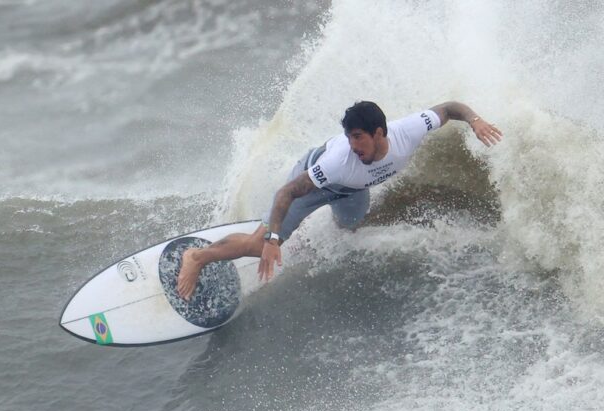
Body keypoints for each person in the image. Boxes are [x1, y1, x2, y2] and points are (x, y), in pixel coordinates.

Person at [176, 101, 503, 299]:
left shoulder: (410, 130)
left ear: (380, 133)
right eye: (348, 137)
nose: (353, 145)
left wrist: (475, 120)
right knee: (259, 244)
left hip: (353, 191)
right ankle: (198, 257)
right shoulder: (338, 160)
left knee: (351, 225)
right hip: (315, 183)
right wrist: (274, 238)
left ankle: (300, 237)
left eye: (358, 137)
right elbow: (287, 193)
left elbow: (449, 108)